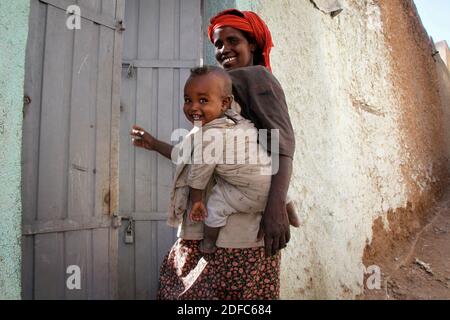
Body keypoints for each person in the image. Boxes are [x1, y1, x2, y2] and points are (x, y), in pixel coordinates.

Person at [131, 8, 296, 299]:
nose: (224, 49)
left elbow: (283, 146)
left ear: (253, 45)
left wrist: (275, 207)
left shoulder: (257, 78)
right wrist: (154, 143)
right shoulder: (218, 91)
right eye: (218, 44)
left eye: (233, 41)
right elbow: (197, 155)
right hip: (209, 225)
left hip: (241, 231)